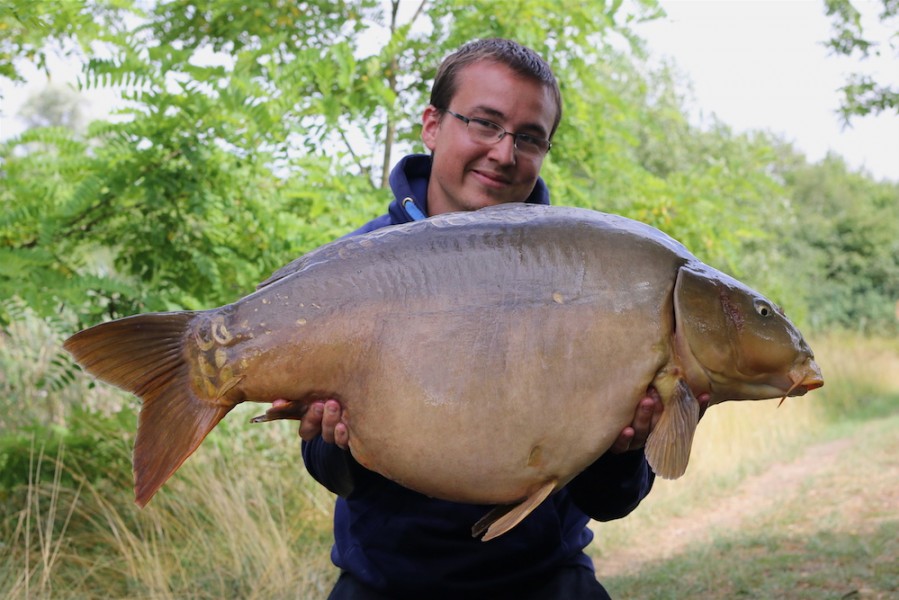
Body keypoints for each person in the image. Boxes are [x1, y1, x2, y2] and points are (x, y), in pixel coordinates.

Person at [275, 38, 707, 599]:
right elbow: (333, 474)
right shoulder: (354, 269)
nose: (504, 153)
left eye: (529, 137)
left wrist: (625, 449)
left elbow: (612, 501)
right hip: (386, 584)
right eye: (485, 123)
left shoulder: (592, 278)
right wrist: (333, 441)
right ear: (433, 125)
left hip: (545, 579)